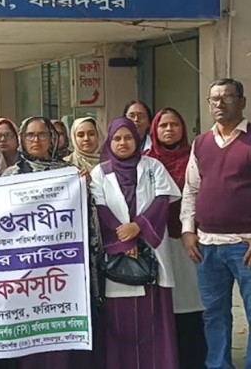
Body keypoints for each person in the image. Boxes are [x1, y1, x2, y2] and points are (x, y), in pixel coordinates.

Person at [180, 78, 251, 369]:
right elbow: (191, 190)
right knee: (214, 315)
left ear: (242, 101)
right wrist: (188, 230)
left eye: (228, 97)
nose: (220, 103)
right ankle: (218, 365)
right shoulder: (201, 143)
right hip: (207, 246)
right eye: (214, 99)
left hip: (249, 246)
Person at [4, 116, 103, 369]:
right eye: (30, 135)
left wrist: (84, 188)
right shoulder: (10, 176)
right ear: (22, 140)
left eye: (43, 134)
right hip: (24, 271)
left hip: (63, 269)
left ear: (53, 139)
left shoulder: (69, 173)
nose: (36, 140)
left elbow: (87, 219)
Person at [90, 117, 180, 369]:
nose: (123, 143)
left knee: (154, 320)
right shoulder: (100, 172)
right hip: (118, 255)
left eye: (128, 137)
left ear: (137, 139)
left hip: (150, 251)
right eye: (117, 138)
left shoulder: (153, 166)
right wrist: (123, 241)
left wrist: (139, 227)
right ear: (109, 141)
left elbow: (162, 200)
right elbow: (100, 209)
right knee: (121, 323)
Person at [145, 107, 206, 369]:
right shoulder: (145, 162)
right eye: (163, 125)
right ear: (154, 130)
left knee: (193, 302)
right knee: (163, 304)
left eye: (174, 124)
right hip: (156, 243)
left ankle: (195, 359)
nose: (169, 129)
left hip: (189, 241)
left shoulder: (197, 157)